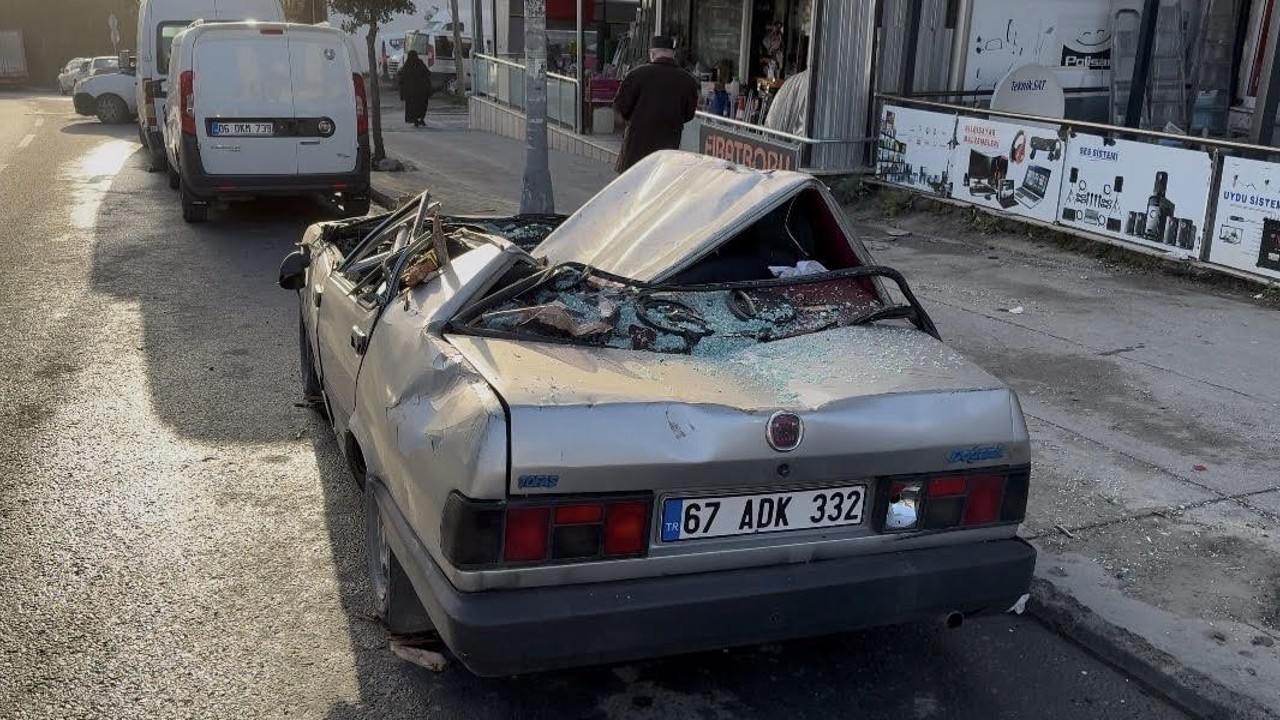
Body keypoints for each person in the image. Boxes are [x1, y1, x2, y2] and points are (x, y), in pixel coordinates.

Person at [613, 36, 699, 173]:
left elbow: (621, 106)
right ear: (673, 55)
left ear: (652, 54)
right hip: (669, 143)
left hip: (637, 144)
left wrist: (635, 119)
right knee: (660, 186)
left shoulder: (636, 75)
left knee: (633, 187)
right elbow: (689, 114)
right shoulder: (688, 81)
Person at [398, 50, 432, 128]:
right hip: (422, 91)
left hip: (410, 93)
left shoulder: (407, 65)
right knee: (422, 106)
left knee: (412, 107)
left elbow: (401, 79)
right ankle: (421, 119)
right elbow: (427, 73)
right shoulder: (420, 64)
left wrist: (402, 92)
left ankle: (415, 120)